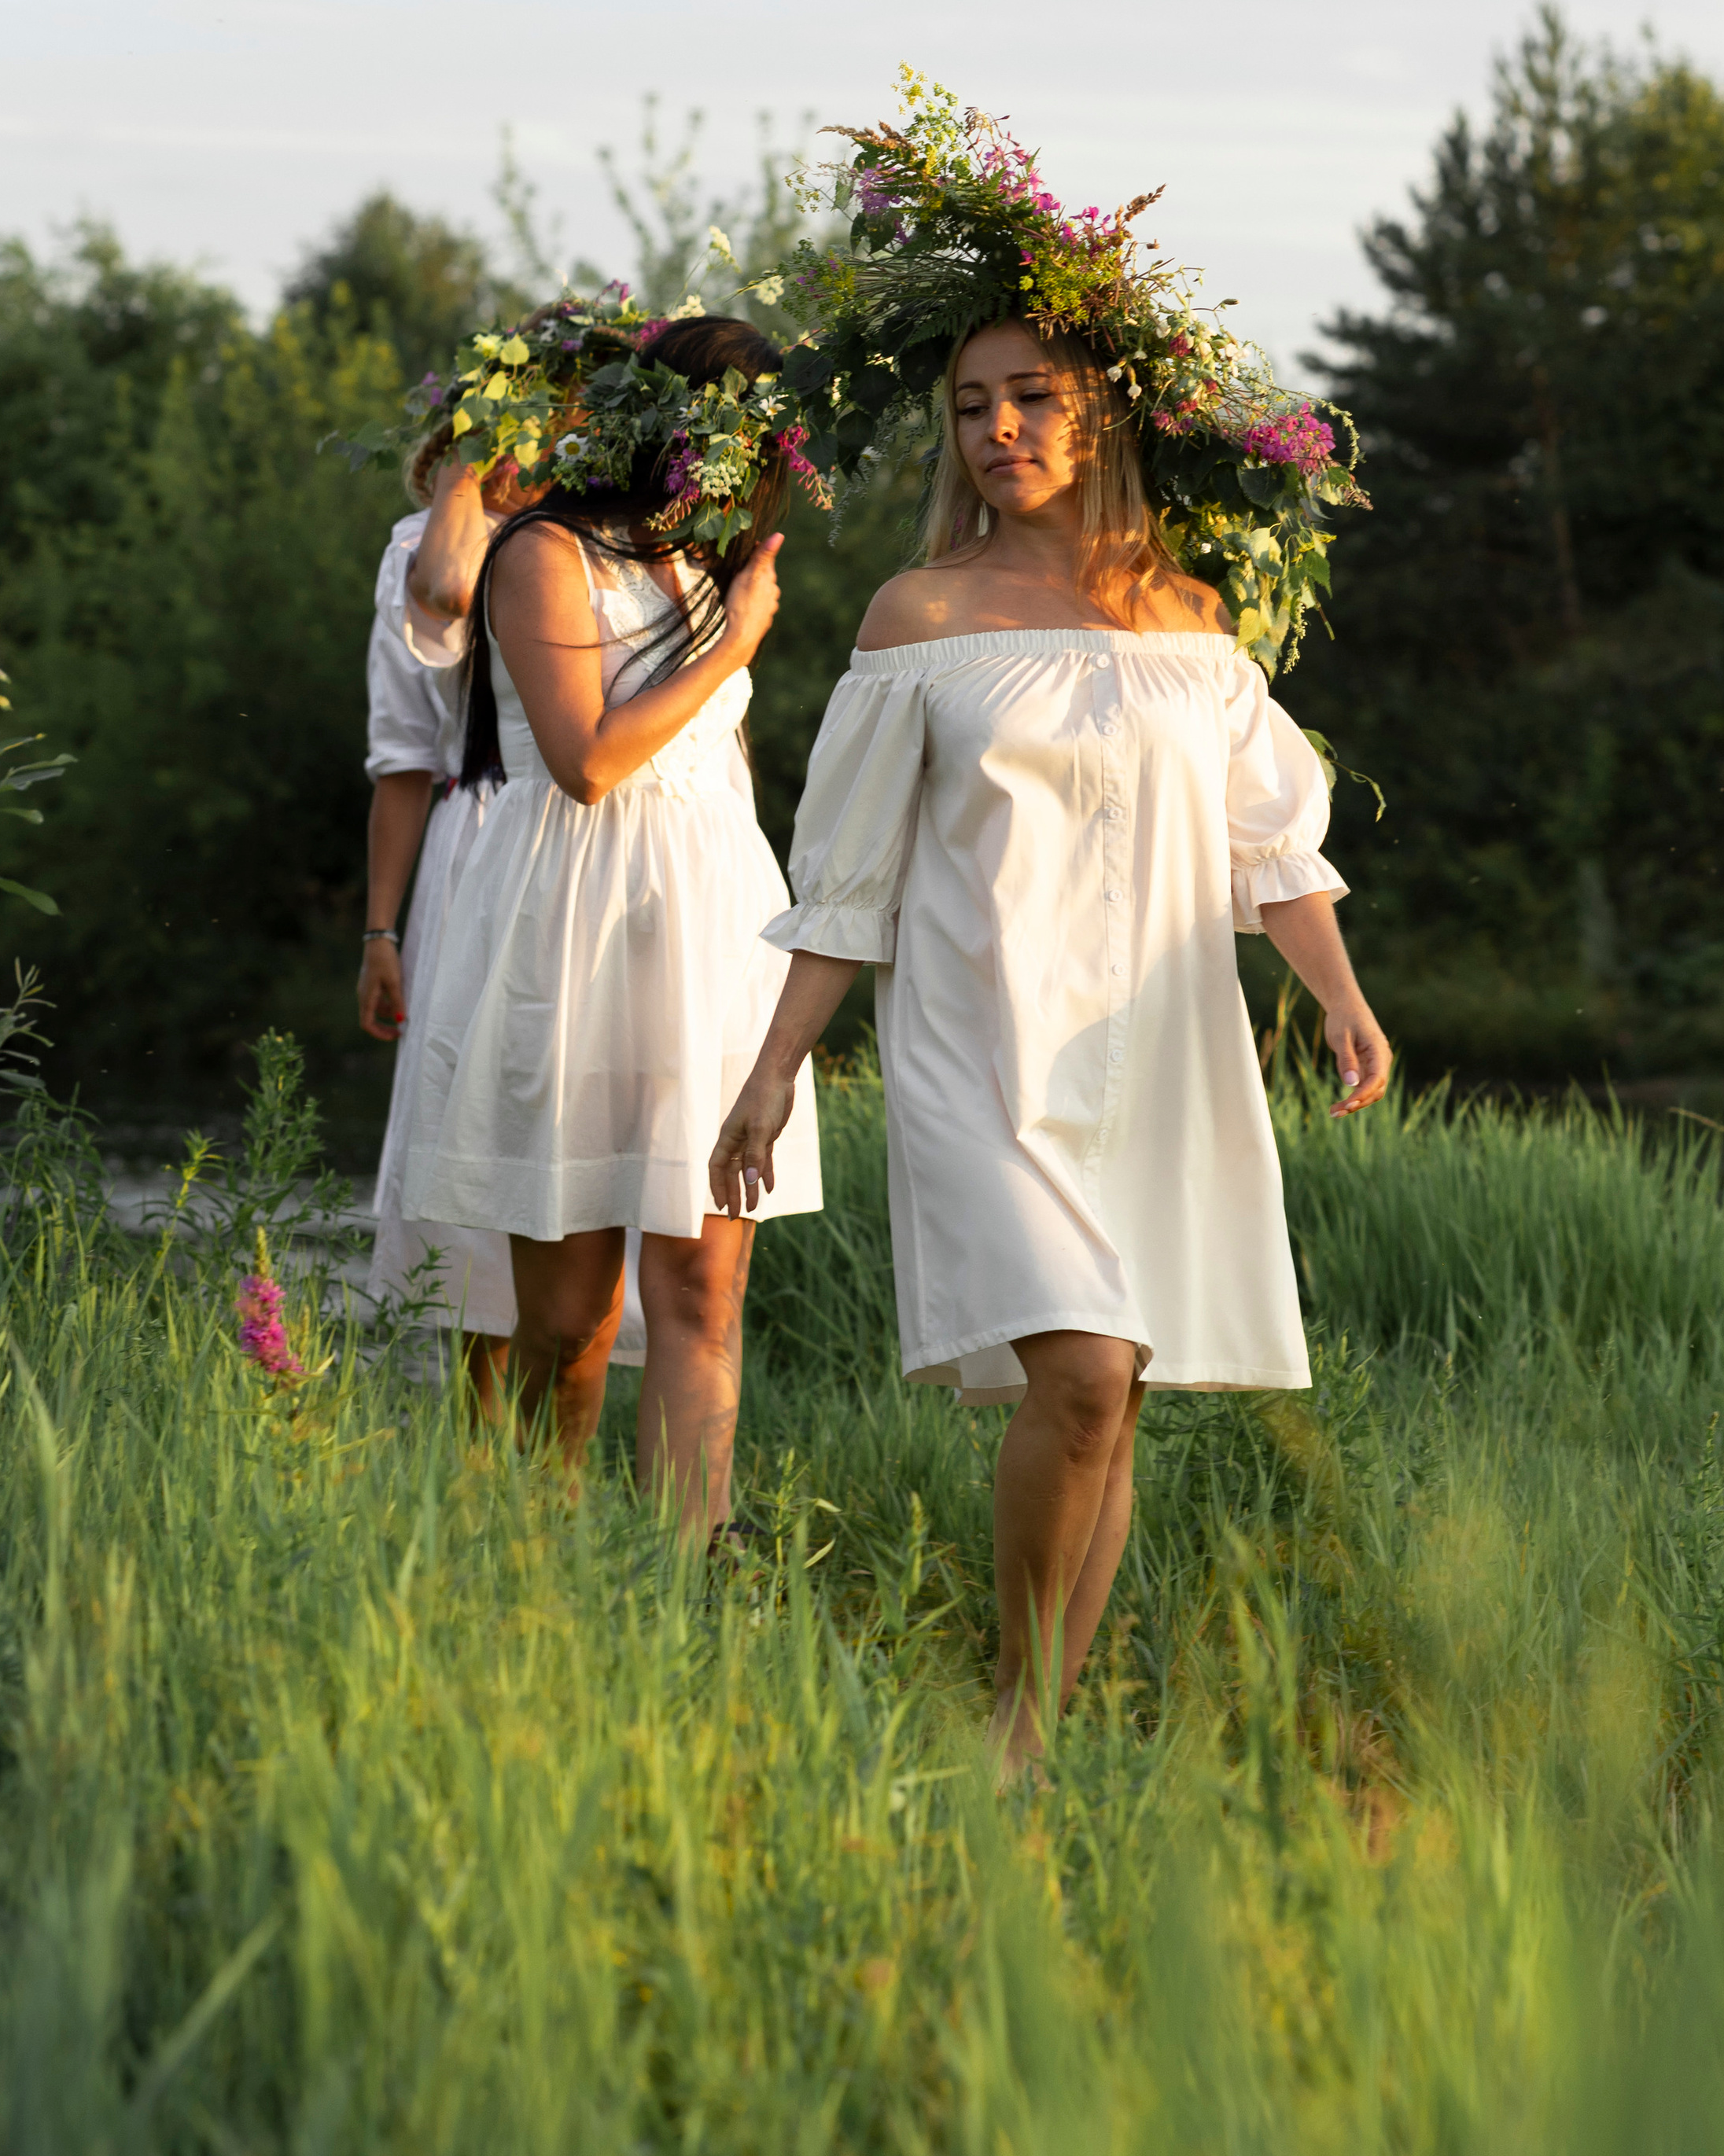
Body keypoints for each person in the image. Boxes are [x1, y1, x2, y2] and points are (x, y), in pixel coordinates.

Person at [709, 311, 1389, 1770]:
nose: (996, 432)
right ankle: (1011, 1718)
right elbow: (849, 879)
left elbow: (1267, 846)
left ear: (1104, 419)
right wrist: (772, 1070)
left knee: (1113, 1397)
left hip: (1158, 1049)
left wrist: (1337, 990)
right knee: (1080, 1371)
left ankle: (1040, 1744)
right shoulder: (919, 619)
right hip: (982, 1046)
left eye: (1030, 400)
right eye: (969, 408)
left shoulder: (1191, 621)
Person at [403, 315, 823, 1537]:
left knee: (704, 1292)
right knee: (570, 1319)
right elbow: (588, 763)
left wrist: (776, 996)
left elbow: (713, 772)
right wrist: (737, 642)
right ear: (672, 427)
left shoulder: (703, 567)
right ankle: (536, 1563)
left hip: (709, 936)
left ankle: (691, 1579)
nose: (754, 465)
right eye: (736, 434)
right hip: (574, 933)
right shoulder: (543, 554)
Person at [359, 419, 644, 1408]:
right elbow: (401, 758)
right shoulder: (424, 548)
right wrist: (380, 932)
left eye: (557, 426)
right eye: (505, 434)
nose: (536, 453)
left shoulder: (608, 550)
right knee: (478, 1135)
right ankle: (483, 1472)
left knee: (585, 1139)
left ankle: (561, 1459)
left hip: (599, 842)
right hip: (474, 844)